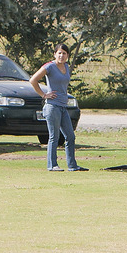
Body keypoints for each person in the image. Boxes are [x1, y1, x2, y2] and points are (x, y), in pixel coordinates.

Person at [30, 44, 85, 172]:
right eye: (59, 53)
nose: (61, 55)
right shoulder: (49, 66)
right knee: (54, 137)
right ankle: (52, 165)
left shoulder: (66, 67)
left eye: (64, 53)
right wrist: (44, 95)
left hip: (63, 107)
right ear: (55, 54)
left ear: (67, 56)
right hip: (52, 106)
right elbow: (33, 80)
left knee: (70, 136)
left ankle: (72, 165)